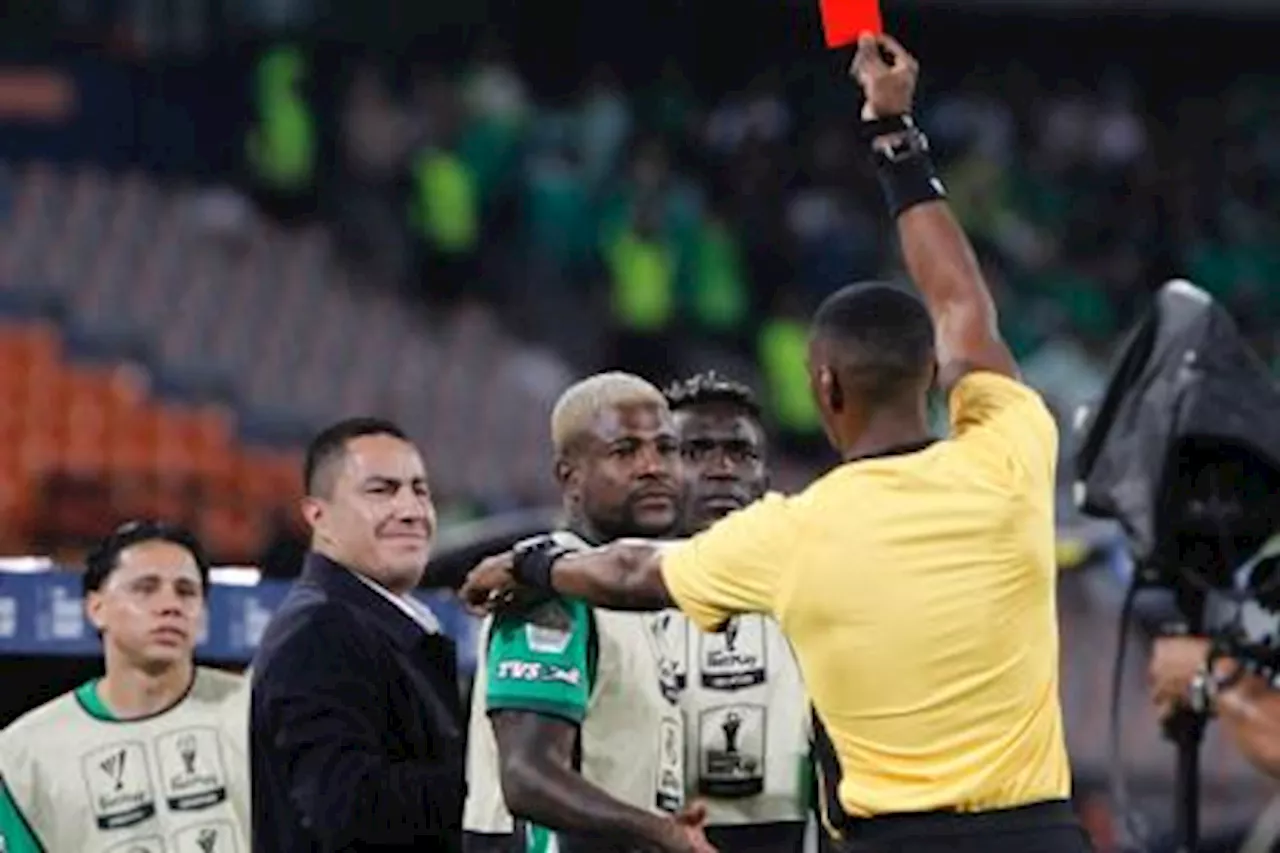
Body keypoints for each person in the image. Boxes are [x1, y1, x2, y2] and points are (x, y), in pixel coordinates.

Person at [462, 34, 1090, 853]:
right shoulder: (1011, 452)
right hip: (1042, 833)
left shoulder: (791, 532)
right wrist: (896, 138)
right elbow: (964, 304)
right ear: (932, 373)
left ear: (824, 389)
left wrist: (532, 563)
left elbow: (628, 571)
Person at [463, 372, 714, 853]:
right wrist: (661, 833)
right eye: (625, 451)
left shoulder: (641, 587)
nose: (652, 467)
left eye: (666, 448)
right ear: (569, 476)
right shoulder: (546, 591)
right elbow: (527, 777)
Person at [250, 417, 465, 853]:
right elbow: (347, 808)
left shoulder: (364, 621)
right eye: (381, 490)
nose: (411, 510)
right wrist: (496, 774)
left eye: (420, 490)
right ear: (318, 516)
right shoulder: (319, 631)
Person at [0, 521, 250, 853]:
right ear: (96, 608)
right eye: (145, 588)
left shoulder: (256, 710)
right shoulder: (23, 753)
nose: (170, 605)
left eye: (186, 591)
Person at [663, 372, 812, 852]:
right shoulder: (597, 590)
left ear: (765, 478)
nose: (722, 468)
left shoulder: (808, 592)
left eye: (741, 452)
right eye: (696, 450)